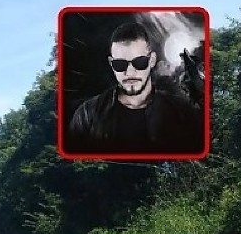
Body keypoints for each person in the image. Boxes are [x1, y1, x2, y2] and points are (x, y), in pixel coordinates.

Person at [66, 21, 203, 155]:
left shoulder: (182, 112)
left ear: (152, 60)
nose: (130, 72)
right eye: (120, 64)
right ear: (112, 64)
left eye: (140, 62)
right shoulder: (87, 115)